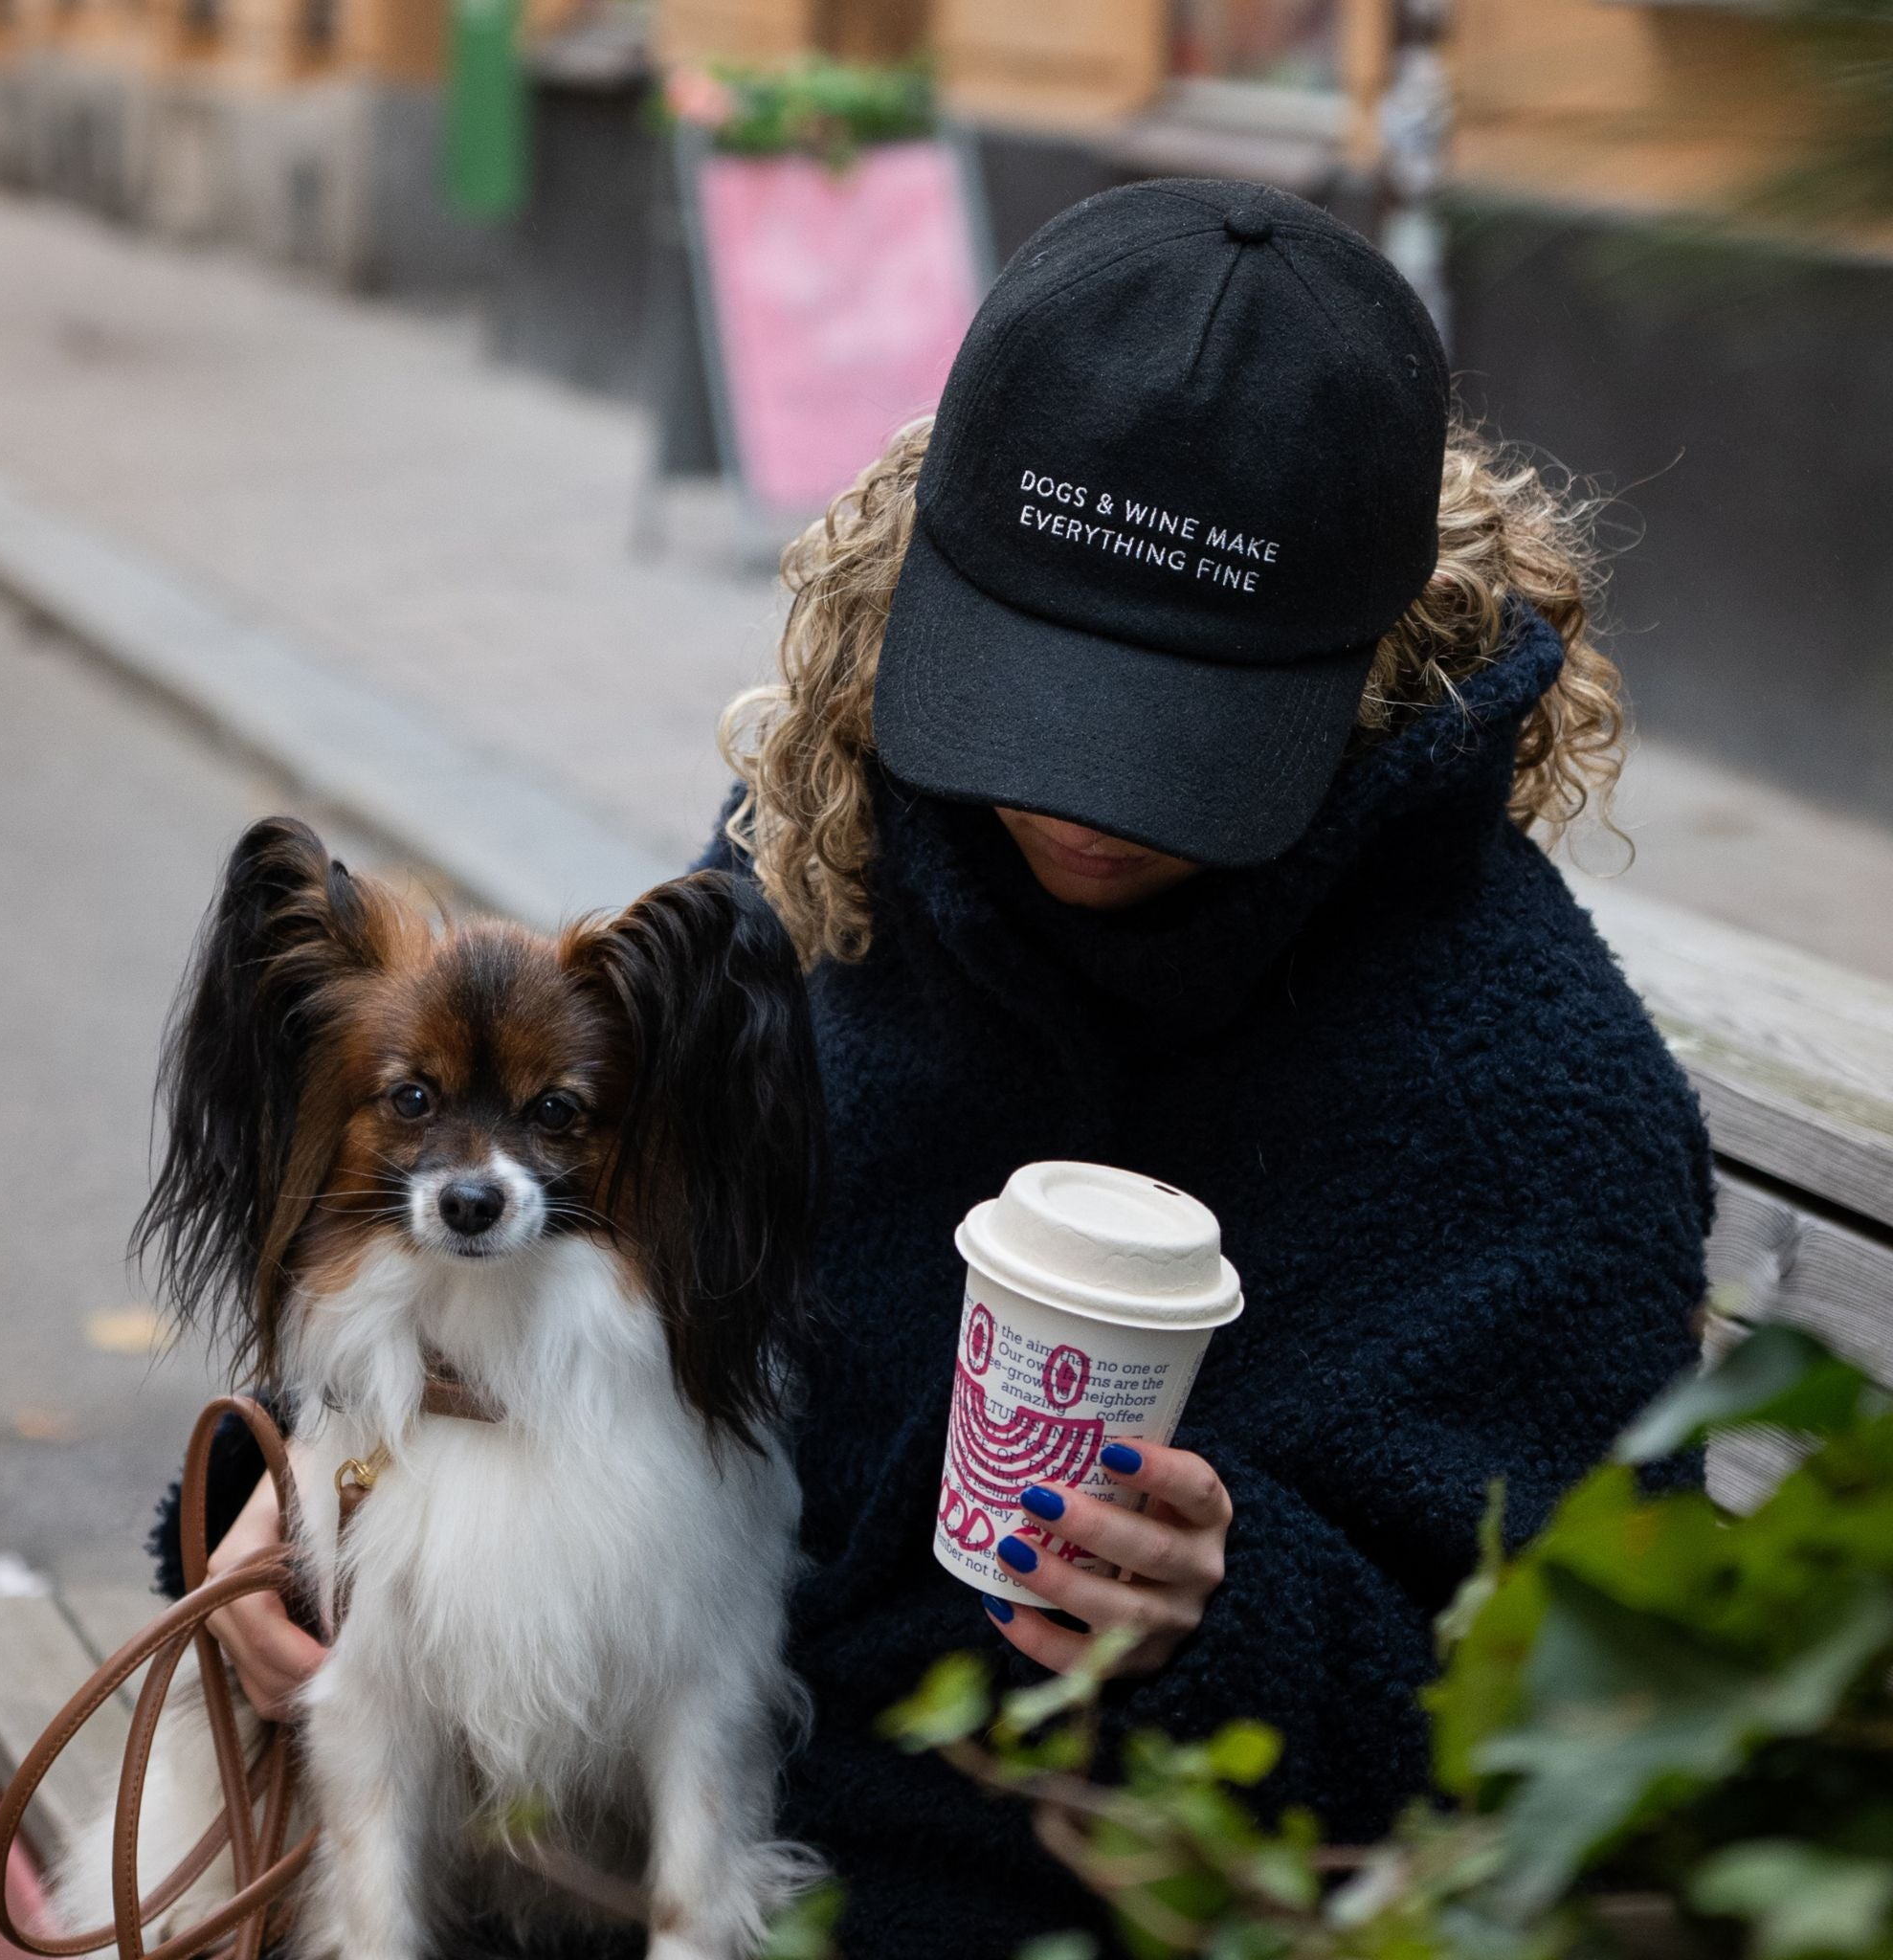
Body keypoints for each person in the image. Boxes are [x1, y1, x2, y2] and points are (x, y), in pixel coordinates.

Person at [162, 181, 1712, 1954]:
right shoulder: (835, 857)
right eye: (1026, 697)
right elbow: (579, 1297)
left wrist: (1238, 1611)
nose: (1068, 799)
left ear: (1373, 660)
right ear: (921, 573)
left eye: (1176, 737)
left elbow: (1604, 1731)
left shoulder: (1516, 1102)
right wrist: (299, 1489)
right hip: (662, 1813)